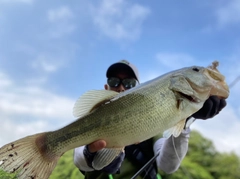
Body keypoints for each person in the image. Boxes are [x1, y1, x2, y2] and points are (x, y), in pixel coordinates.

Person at [73, 60, 226, 179]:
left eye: (129, 83)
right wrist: (90, 153)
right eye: (114, 81)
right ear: (106, 88)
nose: (121, 87)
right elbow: (78, 157)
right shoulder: (91, 120)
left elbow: (168, 165)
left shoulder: (156, 122)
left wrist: (185, 120)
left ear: (140, 89)